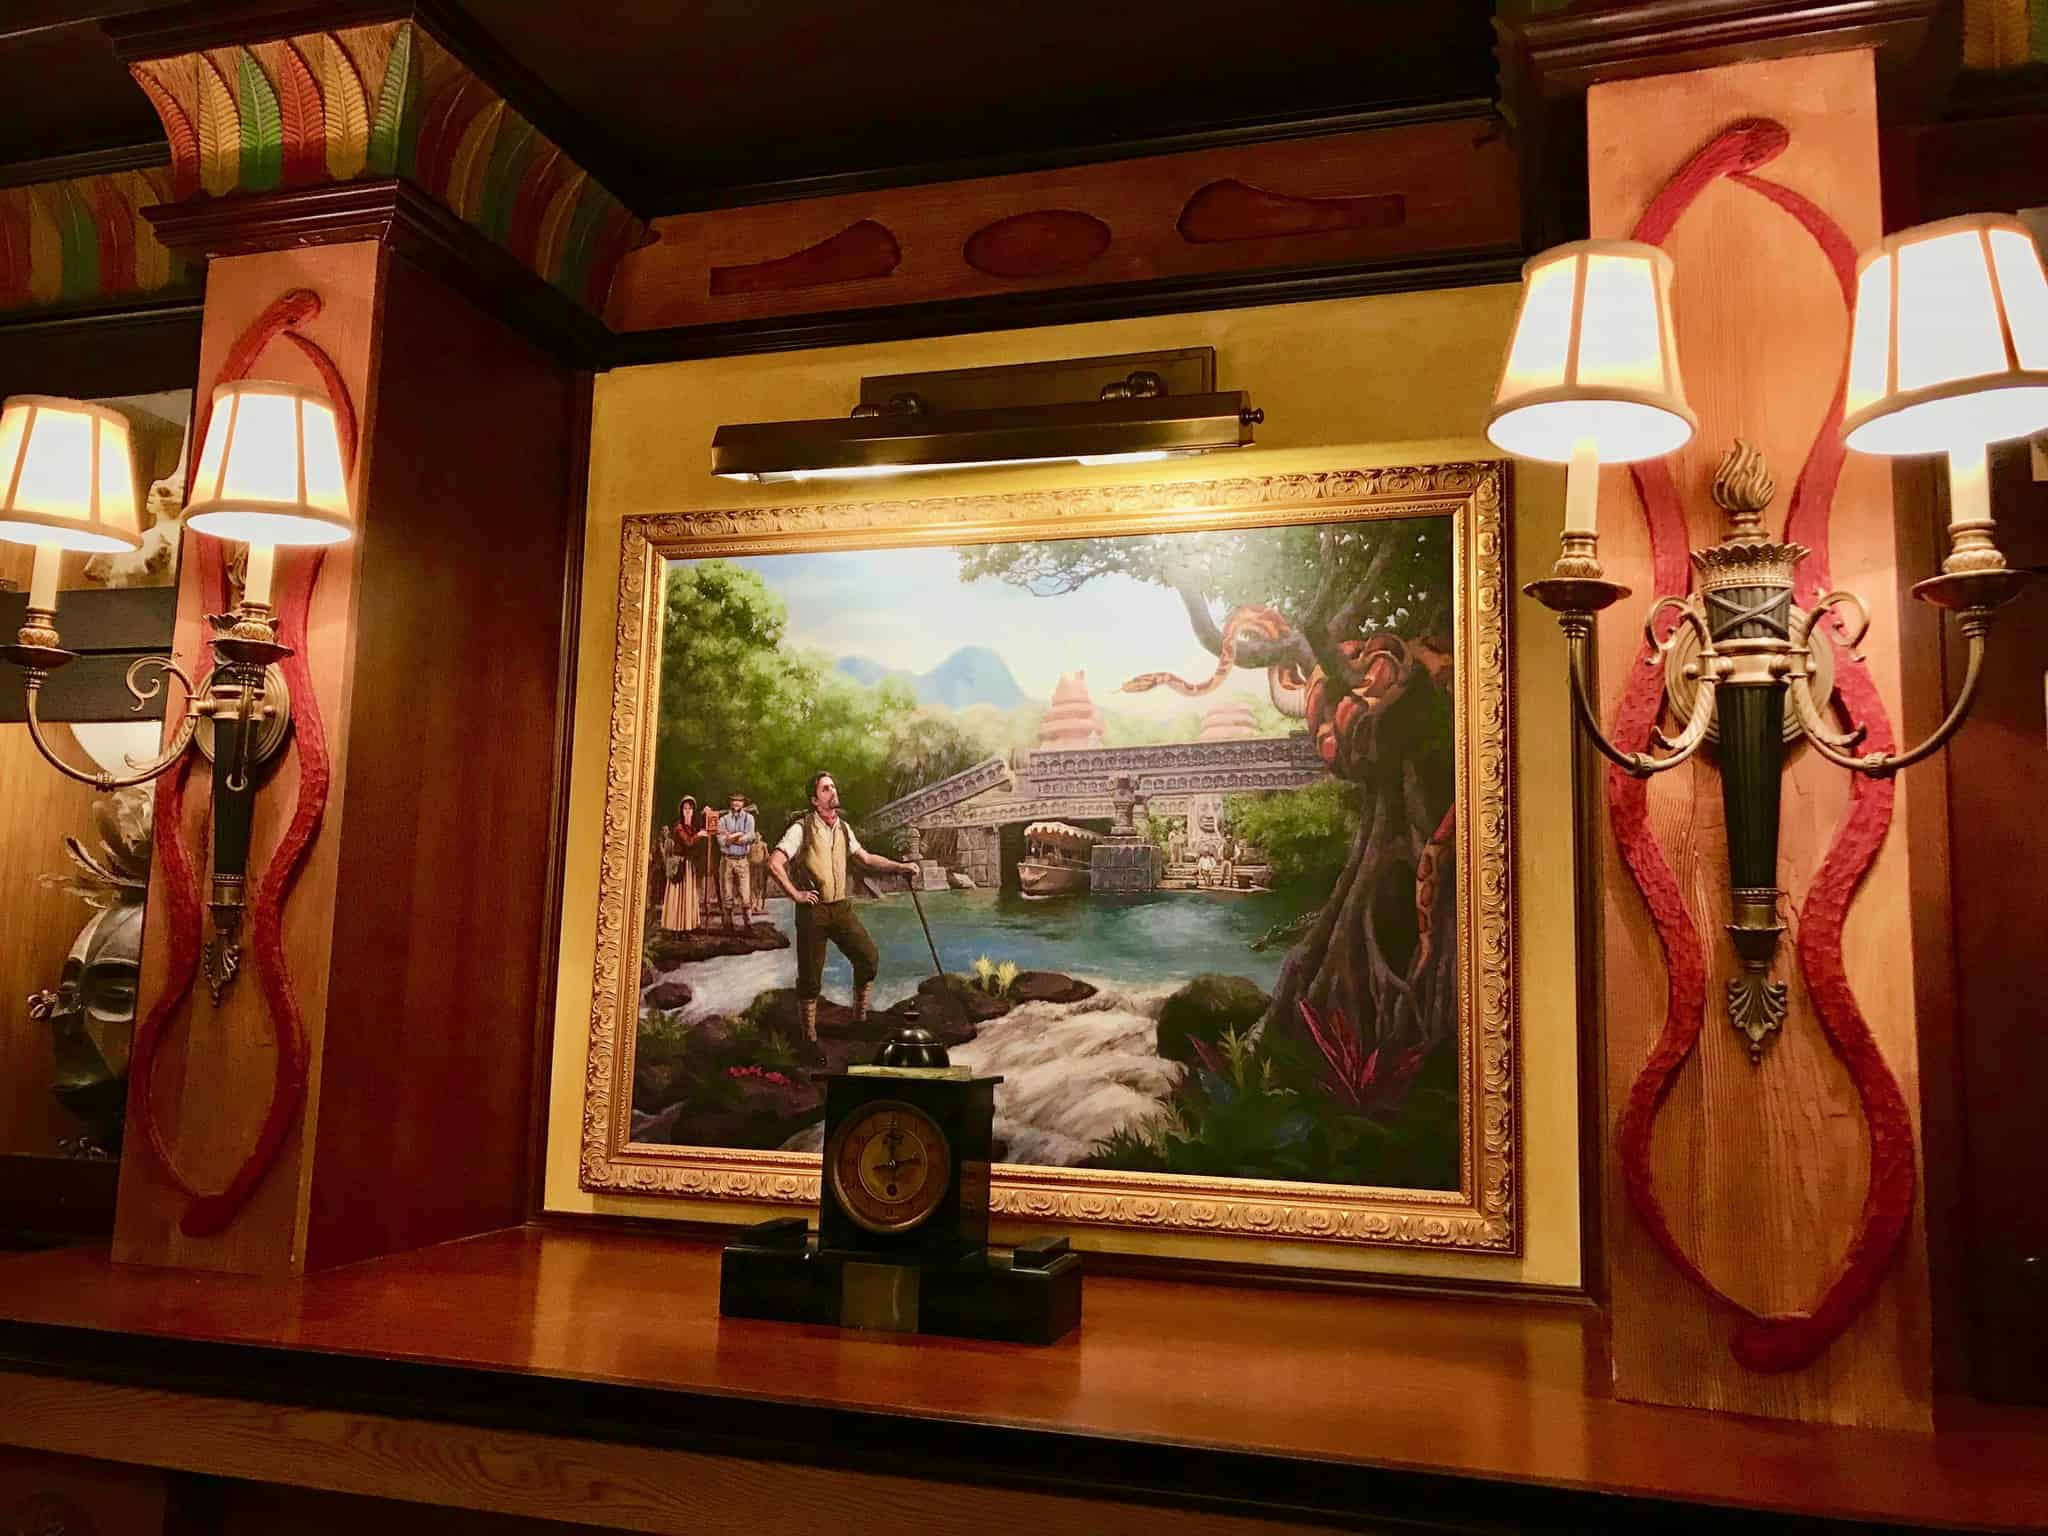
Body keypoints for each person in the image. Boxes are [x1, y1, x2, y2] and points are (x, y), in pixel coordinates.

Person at [767, 770, 919, 1043]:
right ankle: (809, 1039)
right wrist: (797, 895)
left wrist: (901, 867)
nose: (833, 791)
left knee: (868, 958)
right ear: (814, 800)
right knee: (810, 979)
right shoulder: (801, 828)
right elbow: (774, 863)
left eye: (833, 787)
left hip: (841, 908)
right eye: (825, 789)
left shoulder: (844, 828)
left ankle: (859, 1021)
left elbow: (867, 859)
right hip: (813, 912)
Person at [659, 796, 701, 933]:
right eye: (685, 808)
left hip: (688, 865)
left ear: (693, 811)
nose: (688, 811)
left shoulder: (692, 827)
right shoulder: (679, 827)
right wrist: (699, 835)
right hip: (679, 864)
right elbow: (688, 842)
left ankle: (685, 928)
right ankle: (675, 928)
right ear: (681, 811)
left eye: (690, 809)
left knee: (687, 895)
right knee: (677, 895)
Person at [717, 791, 755, 923]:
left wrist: (732, 837)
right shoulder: (723, 820)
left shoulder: (749, 818)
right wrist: (739, 836)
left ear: (743, 803)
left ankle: (748, 924)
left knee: (745, 895)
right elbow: (721, 841)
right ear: (730, 802)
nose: (736, 803)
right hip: (727, 859)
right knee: (727, 895)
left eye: (739, 801)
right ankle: (728, 925)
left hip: (742, 860)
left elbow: (750, 836)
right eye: (734, 800)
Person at [746, 799, 768, 914]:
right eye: (756, 836)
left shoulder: (763, 845)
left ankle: (759, 904)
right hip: (751, 867)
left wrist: (766, 865)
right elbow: (746, 855)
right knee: (751, 886)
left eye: (758, 836)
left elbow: (767, 856)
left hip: (760, 867)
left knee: (760, 886)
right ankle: (753, 903)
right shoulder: (750, 845)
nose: (757, 837)